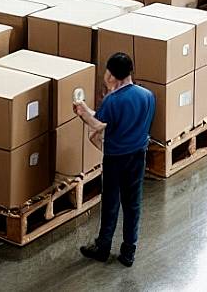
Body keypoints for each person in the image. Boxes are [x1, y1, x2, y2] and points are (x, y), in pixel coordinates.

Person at [73, 52, 155, 267]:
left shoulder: (113, 100)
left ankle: (103, 246)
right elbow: (108, 118)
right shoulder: (147, 95)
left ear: (111, 74)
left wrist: (82, 114)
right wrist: (88, 110)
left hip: (115, 159)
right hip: (138, 156)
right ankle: (129, 250)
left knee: (111, 202)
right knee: (132, 204)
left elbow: (99, 125)